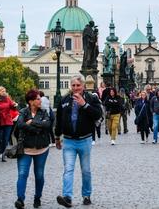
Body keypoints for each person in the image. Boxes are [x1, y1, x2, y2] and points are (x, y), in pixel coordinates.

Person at [55, 75, 102, 208]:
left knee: (85, 170)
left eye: (78, 85)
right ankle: (67, 197)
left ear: (83, 86)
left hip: (85, 140)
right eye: (73, 85)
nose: (75, 88)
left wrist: (84, 105)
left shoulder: (91, 98)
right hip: (69, 141)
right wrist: (57, 137)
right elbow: (59, 120)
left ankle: (86, 195)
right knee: (68, 169)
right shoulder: (64, 100)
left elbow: (98, 114)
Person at [14, 89, 52, 209]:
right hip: (25, 149)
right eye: (38, 99)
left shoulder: (44, 112)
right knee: (22, 174)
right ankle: (20, 200)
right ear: (31, 101)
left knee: (39, 175)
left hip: (42, 149)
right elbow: (20, 124)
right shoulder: (23, 112)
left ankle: (37, 197)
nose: (40, 100)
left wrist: (32, 123)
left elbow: (47, 125)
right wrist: (36, 128)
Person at [0, 86, 17, 162]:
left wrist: (14, 105)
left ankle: (3, 154)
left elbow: (12, 107)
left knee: (5, 139)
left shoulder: (8, 99)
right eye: (2, 91)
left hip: (7, 121)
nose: (4, 92)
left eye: (5, 91)